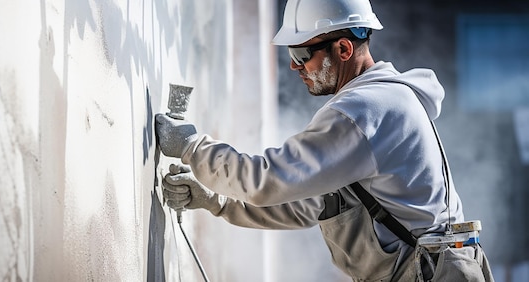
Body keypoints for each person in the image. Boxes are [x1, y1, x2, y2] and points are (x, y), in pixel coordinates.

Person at [155, 0, 494, 281]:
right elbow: (313, 204)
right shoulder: (385, 100)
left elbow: (267, 179)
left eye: (303, 55)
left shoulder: (364, 111)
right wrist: (218, 201)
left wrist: (191, 147)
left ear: (344, 48)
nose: (293, 65)